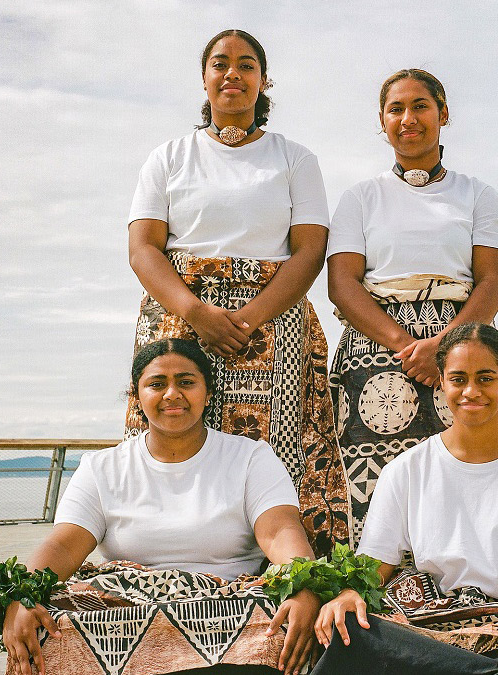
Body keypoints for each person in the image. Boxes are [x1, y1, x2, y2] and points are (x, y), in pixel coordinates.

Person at [125, 29, 348, 556]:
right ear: (204, 79)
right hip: (180, 317)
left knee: (278, 447)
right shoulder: (169, 157)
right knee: (176, 431)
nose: (233, 75)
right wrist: (195, 312)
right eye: (220, 64)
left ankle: (283, 572)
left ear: (263, 80)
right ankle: (173, 556)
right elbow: (143, 249)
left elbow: (310, 250)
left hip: (275, 319)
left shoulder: (294, 159)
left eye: (246, 65)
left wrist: (248, 318)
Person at [2, 339, 321, 675]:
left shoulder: (250, 457)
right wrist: (22, 595)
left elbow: (279, 531)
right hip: (124, 610)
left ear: (208, 393)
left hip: (228, 609)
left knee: (275, 627)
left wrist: (305, 587)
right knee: (43, 629)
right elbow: (64, 545)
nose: (172, 394)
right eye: (156, 384)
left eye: (186, 382)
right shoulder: (101, 467)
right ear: (137, 397)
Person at [311, 324, 498, 675]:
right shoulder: (406, 470)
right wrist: (348, 594)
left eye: (485, 378)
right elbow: (375, 566)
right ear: (443, 381)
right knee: (351, 630)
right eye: (459, 379)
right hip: (423, 629)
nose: (471, 391)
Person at [326, 69, 498, 540]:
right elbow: (342, 284)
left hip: (462, 349)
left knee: (467, 470)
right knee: (374, 483)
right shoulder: (361, 197)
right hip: (374, 351)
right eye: (395, 109)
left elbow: (493, 282)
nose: (408, 119)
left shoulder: (477, 194)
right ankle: (375, 598)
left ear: (443, 113)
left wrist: (445, 346)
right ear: (382, 122)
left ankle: (469, 594)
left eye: (420, 106)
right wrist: (408, 345)